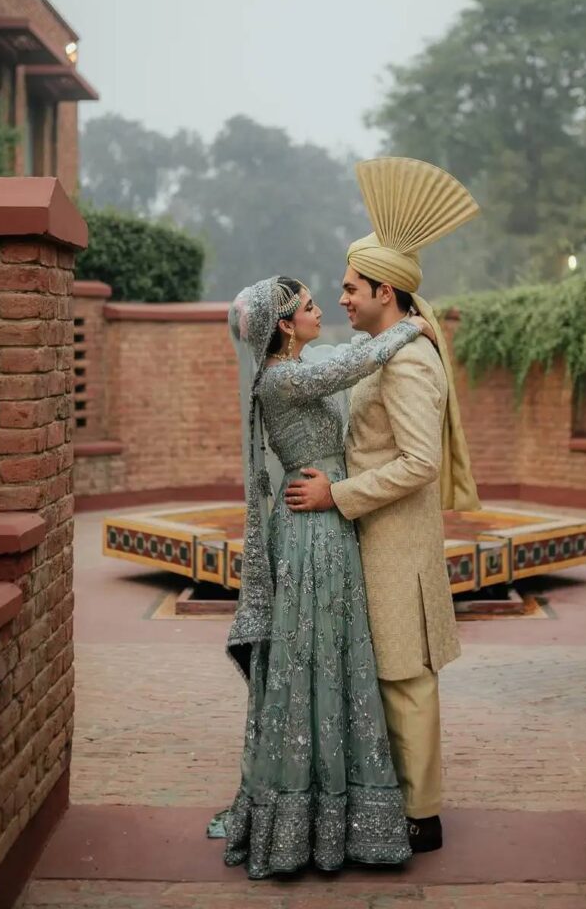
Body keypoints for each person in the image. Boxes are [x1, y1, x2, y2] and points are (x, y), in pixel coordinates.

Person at [285, 156, 480, 854]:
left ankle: (422, 817)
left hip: (396, 542)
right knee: (389, 674)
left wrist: (336, 494)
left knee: (405, 676)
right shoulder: (383, 351)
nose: (341, 298)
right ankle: (391, 801)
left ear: (383, 291)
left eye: (349, 287)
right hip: (376, 539)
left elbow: (420, 463)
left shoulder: (408, 362)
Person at [212, 274, 436, 879]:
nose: (321, 310)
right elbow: (352, 365)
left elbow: (344, 354)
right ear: (286, 325)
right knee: (313, 655)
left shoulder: (299, 364)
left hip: (328, 517)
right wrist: (409, 328)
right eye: (310, 306)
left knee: (330, 652)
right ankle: (307, 819)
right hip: (310, 530)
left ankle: (333, 814)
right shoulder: (281, 378)